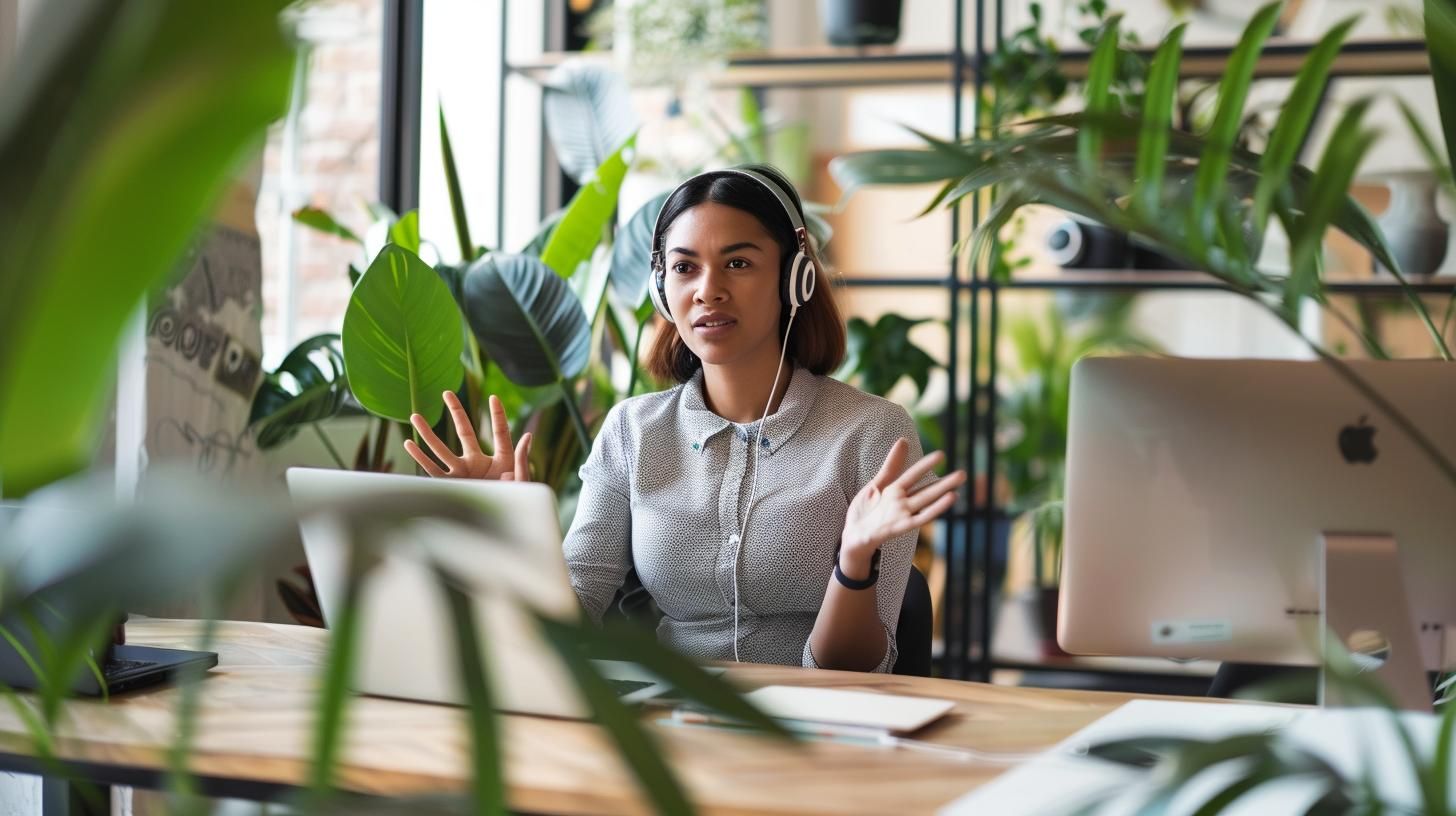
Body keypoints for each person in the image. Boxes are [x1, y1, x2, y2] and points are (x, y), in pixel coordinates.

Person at [404, 164, 965, 673]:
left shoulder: (872, 435)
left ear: (795, 279)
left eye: (738, 263)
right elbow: (566, 622)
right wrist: (506, 529)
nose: (708, 291)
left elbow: (858, 673)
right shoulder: (633, 432)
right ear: (662, 289)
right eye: (684, 268)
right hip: (670, 724)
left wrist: (853, 559)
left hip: (820, 730)